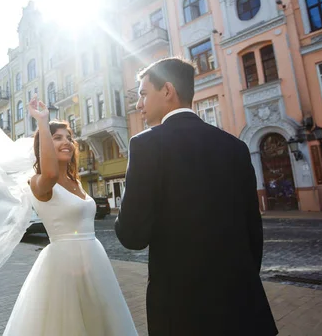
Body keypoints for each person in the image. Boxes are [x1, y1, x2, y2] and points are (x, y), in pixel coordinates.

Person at [115, 57, 278, 335]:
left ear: (167, 91)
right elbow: (254, 233)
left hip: (182, 312)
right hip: (243, 308)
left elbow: (132, 236)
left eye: (143, 94)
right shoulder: (235, 147)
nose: (138, 104)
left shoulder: (146, 145)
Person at [3, 96, 137, 335]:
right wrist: (43, 122)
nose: (66, 142)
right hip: (63, 267)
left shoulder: (77, 181)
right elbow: (51, 172)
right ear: (43, 146)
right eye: (57, 138)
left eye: (69, 138)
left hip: (94, 262)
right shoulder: (40, 182)